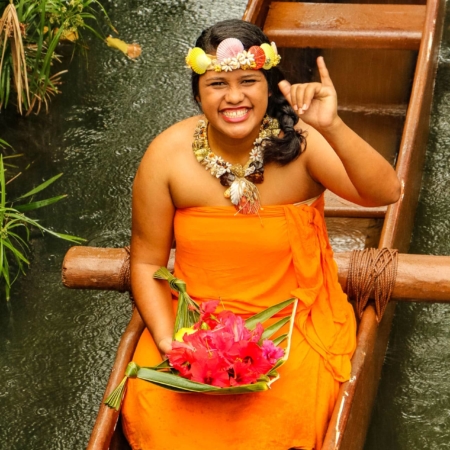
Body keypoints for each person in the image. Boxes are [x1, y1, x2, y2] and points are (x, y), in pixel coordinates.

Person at [121, 19, 401, 450]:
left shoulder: (302, 144)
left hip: (292, 326)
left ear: (269, 87)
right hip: (194, 324)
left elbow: (386, 192)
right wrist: (171, 343)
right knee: (157, 419)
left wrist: (333, 126)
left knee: (277, 425)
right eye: (217, 83)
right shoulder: (167, 156)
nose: (234, 96)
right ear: (197, 94)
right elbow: (145, 263)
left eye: (248, 80)